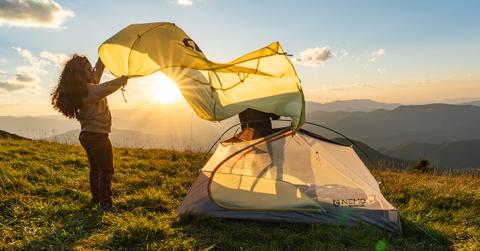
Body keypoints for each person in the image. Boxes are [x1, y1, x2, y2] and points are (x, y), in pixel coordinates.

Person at [51, 55, 128, 210]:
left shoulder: (83, 89)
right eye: (87, 69)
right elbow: (106, 87)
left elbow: (97, 71)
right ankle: (105, 204)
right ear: (80, 75)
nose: (91, 71)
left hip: (87, 136)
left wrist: (104, 56)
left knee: (96, 169)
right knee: (107, 170)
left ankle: (96, 199)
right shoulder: (90, 91)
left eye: (90, 67)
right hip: (98, 137)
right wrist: (122, 80)